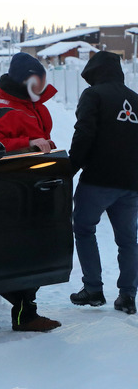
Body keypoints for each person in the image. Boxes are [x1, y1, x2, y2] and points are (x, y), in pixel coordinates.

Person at [0, 52, 62, 332]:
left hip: (36, 188)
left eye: (43, 80)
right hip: (13, 189)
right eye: (36, 79)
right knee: (22, 251)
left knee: (38, 250)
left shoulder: (34, 106)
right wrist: (28, 143)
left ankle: (26, 309)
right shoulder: (3, 108)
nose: (41, 85)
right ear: (23, 79)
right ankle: (24, 313)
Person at [69, 51, 138, 315]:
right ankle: (128, 296)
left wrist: (71, 168)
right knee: (128, 239)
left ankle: (94, 289)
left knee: (84, 228)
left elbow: (84, 133)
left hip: (98, 180)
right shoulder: (135, 99)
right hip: (131, 183)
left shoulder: (94, 95)